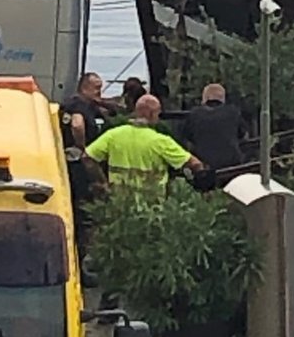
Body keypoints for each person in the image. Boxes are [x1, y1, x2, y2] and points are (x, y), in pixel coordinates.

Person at [60, 73, 117, 263]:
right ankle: (82, 252)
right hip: (80, 164)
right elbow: (77, 125)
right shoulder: (77, 105)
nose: (99, 92)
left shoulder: (88, 105)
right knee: (84, 206)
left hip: (76, 162)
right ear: (84, 87)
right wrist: (83, 148)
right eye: (96, 88)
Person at [85, 94, 203, 182]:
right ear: (152, 114)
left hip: (119, 204)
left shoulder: (113, 135)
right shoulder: (161, 141)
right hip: (152, 207)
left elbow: (87, 158)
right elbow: (195, 164)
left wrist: (101, 182)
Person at [182, 83, 247, 171]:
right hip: (231, 165)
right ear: (223, 98)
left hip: (204, 165)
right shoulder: (233, 112)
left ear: (205, 98)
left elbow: (187, 137)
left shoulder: (195, 114)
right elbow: (243, 135)